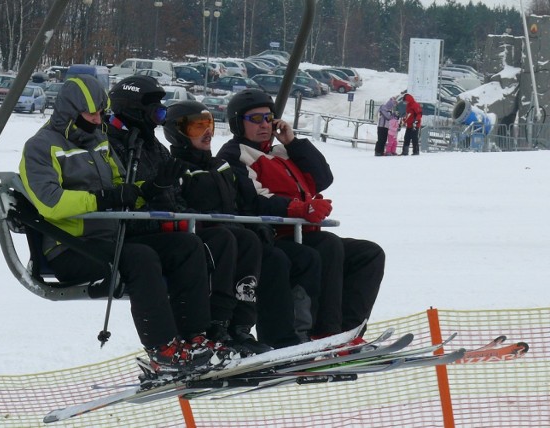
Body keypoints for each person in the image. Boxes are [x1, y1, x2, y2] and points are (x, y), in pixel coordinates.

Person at [19, 74, 223, 375]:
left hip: (111, 239)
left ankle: (195, 337)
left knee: (187, 246)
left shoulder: (98, 143)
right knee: (140, 257)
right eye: (92, 114)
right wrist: (102, 199)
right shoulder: (41, 147)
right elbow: (51, 202)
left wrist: (150, 189)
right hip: (72, 247)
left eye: (101, 113)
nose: (98, 119)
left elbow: (121, 189)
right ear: (70, 112)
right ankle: (162, 349)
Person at [104, 76, 259, 356]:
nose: (158, 117)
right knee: (216, 239)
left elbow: (174, 194)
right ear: (135, 110)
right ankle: (203, 330)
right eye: (156, 111)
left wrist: (180, 212)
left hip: (167, 226)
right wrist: (161, 199)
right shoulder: (115, 146)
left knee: (244, 238)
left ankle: (232, 327)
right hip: (139, 231)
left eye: (162, 111)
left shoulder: (152, 147)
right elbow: (124, 193)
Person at [217, 88, 386, 342]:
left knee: (368, 254)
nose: (264, 124)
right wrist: (297, 208)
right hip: (272, 235)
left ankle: (349, 331)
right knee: (326, 246)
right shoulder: (235, 154)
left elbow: (322, 178)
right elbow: (251, 198)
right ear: (237, 123)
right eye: (255, 119)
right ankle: (324, 331)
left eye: (268, 118)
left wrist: (293, 143)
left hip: (301, 233)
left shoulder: (282, 152)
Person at [162, 100, 273, 355]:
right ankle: (216, 325)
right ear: (178, 132)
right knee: (227, 237)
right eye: (197, 127)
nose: (207, 132)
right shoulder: (176, 168)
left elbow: (239, 205)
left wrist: (255, 225)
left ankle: (240, 327)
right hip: (200, 237)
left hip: (227, 235)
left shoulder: (219, 167)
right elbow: (174, 205)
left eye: (209, 124)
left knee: (247, 238)